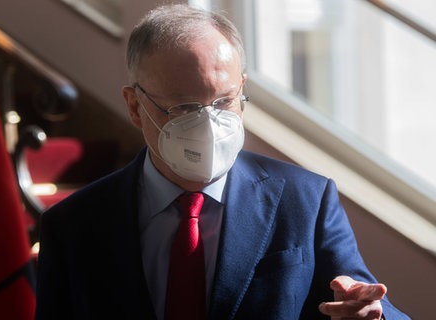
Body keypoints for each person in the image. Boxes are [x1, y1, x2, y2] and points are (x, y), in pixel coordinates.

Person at [35, 4, 410, 320]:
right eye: (184, 107)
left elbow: (366, 302)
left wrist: (369, 315)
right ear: (135, 106)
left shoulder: (306, 201)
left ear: (242, 88)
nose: (209, 123)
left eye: (224, 101)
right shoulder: (73, 226)